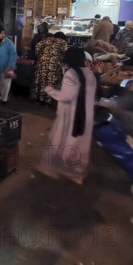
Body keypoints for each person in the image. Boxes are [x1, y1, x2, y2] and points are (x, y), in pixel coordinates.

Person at [35, 47, 97, 185]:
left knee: (61, 141)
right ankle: (76, 174)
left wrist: (49, 90)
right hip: (86, 115)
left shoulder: (71, 74)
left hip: (72, 116)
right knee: (80, 145)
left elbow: (65, 97)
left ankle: (52, 168)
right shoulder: (89, 73)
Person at [32, 32, 68, 105]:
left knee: (40, 80)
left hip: (42, 63)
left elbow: (37, 47)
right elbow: (66, 53)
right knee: (50, 82)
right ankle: (47, 101)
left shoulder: (45, 40)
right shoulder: (62, 42)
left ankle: (38, 98)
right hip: (53, 65)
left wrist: (41, 56)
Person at [0, 29, 17, 103]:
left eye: (4, 33)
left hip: (6, 67)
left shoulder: (9, 42)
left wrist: (10, 65)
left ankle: (3, 98)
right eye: (1, 33)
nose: (3, 35)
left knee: (5, 83)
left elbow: (13, 54)